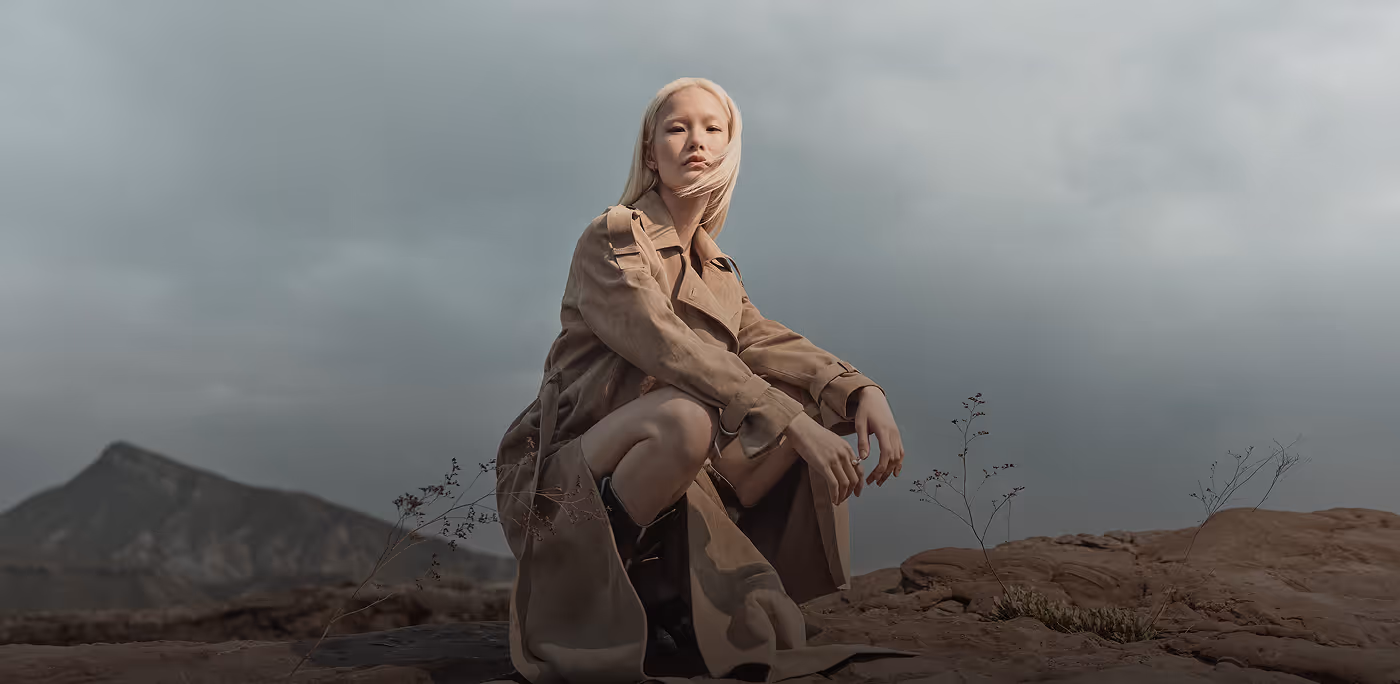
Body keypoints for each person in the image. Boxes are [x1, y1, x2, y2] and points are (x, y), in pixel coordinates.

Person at [495, 77, 909, 683]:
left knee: (809, 398)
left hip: (665, 471)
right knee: (688, 416)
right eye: (677, 127)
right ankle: (589, 591)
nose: (696, 141)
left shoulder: (717, 270)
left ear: (730, 149)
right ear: (650, 151)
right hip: (565, 473)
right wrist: (791, 425)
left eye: (713, 128)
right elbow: (665, 342)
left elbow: (770, 345)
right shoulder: (613, 236)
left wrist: (860, 390)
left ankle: (679, 589)